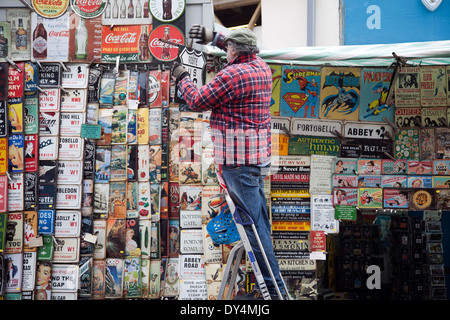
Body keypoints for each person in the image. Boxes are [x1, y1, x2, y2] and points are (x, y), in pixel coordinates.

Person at [171, 25, 286, 300]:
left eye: (227, 47)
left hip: (237, 162)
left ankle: (273, 291)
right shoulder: (261, 66)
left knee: (255, 233)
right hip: (254, 159)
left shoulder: (233, 74)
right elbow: (237, 48)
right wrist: (215, 38)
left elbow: (198, 100)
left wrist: (182, 77)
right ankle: (271, 288)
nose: (226, 51)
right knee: (259, 226)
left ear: (233, 51)